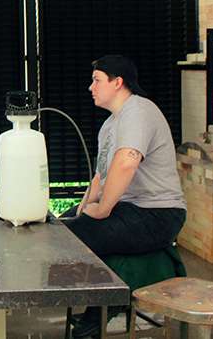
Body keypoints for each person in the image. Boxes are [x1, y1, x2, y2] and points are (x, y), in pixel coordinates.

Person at [63, 55, 186, 257]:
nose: (90, 87)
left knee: (71, 239)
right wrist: (80, 210)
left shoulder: (138, 110)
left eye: (97, 80)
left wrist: (102, 209)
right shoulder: (109, 125)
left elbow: (126, 164)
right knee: (58, 230)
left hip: (158, 214)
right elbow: (99, 178)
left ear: (118, 82)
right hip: (128, 207)